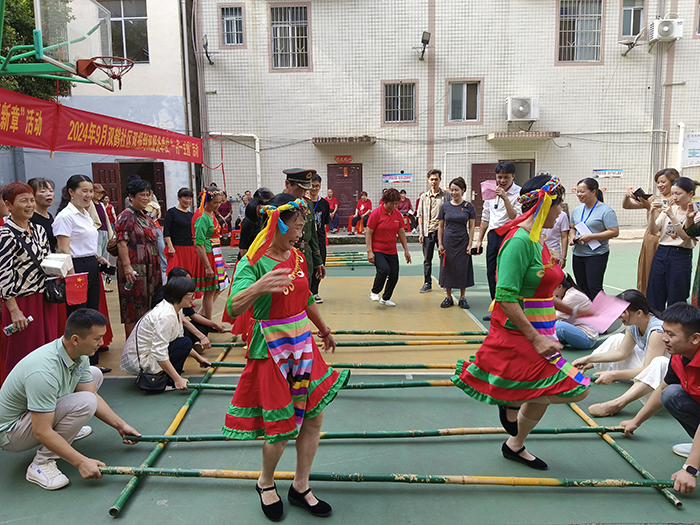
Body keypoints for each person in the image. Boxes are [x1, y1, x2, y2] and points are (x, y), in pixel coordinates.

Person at [222, 193, 349, 521]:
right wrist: (259, 287)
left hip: (302, 344)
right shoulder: (253, 262)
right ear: (278, 224)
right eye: (297, 225)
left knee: (314, 417)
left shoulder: (298, 257)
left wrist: (323, 329)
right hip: (271, 348)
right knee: (279, 428)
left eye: (303, 225)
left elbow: (305, 297)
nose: (301, 231)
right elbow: (233, 306)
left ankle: (300, 486)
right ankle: (265, 482)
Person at [451, 175, 590, 470]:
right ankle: (512, 400)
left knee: (541, 391)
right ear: (543, 205)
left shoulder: (537, 239)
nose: (561, 212)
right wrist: (536, 339)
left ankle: (515, 443)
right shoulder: (519, 242)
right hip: (524, 335)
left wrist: (570, 309)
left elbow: (539, 290)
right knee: (576, 387)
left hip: (543, 331)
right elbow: (505, 296)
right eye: (558, 205)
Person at [0, 309, 141, 490]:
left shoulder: (77, 353)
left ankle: (66, 429)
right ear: (75, 339)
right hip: (11, 433)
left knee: (94, 375)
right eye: (97, 338)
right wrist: (81, 462)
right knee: (86, 402)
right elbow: (41, 431)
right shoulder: (43, 372)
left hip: (32, 414)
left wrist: (121, 425)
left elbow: (92, 394)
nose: (102, 342)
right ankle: (41, 463)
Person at [620, 303, 700, 494]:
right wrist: (636, 421)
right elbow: (662, 388)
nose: (664, 338)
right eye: (664, 331)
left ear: (695, 338)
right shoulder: (679, 356)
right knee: (671, 394)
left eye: (671, 334)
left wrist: (690, 469)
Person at [572, 290, 667, 417]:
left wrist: (614, 375)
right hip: (648, 367)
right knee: (617, 339)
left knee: (659, 363)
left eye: (622, 312)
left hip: (663, 376)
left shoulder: (657, 332)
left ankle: (617, 404)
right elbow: (621, 352)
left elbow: (647, 369)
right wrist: (589, 359)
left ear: (639, 313)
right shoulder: (633, 324)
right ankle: (584, 367)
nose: (618, 316)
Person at [53, 175, 112, 371]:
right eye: (84, 191)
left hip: (91, 265)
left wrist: (98, 258)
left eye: (90, 191)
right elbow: (64, 249)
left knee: (92, 314)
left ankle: (90, 364)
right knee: (79, 317)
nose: (88, 195)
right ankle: (75, 364)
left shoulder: (86, 213)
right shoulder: (65, 216)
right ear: (71, 192)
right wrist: (72, 277)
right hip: (75, 269)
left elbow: (85, 244)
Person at [0, 182, 59, 377]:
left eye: (32, 200)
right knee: (23, 353)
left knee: (47, 349)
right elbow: (3, 274)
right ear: (8, 205)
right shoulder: (5, 235)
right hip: (22, 302)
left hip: (46, 299)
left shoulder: (39, 230)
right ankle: (18, 392)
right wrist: (14, 311)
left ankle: (46, 388)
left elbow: (46, 260)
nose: (30, 205)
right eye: (23, 201)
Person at [120, 277, 211, 391]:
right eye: (191, 295)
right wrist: (177, 379)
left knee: (184, 342)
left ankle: (166, 376)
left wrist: (198, 358)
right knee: (184, 343)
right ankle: (165, 381)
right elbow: (159, 351)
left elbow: (178, 338)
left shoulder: (175, 307)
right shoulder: (166, 316)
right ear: (178, 295)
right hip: (141, 361)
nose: (194, 298)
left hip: (147, 353)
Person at [113, 178, 162, 340]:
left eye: (148, 195)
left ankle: (145, 342)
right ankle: (131, 346)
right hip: (135, 269)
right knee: (133, 307)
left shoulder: (145, 216)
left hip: (151, 269)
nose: (146, 198)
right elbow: (121, 242)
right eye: (142, 195)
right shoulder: (126, 216)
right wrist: (127, 267)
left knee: (149, 304)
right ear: (131, 196)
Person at [474, 162, 522, 321]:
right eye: (499, 177)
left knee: (507, 272)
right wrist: (479, 240)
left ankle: (511, 310)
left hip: (510, 234)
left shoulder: (519, 192)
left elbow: (515, 217)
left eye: (506, 177)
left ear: (513, 176)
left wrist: (505, 198)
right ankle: (495, 308)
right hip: (493, 235)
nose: (502, 180)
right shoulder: (490, 190)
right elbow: (485, 217)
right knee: (491, 271)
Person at [623, 168, 680, 294]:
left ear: (673, 182)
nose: (660, 185)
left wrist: (649, 207)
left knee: (660, 274)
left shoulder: (675, 201)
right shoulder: (653, 199)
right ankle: (645, 297)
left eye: (663, 182)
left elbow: (664, 221)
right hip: (649, 238)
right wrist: (627, 196)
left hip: (663, 239)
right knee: (646, 269)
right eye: (658, 182)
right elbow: (627, 206)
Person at [646, 177, 700, 311]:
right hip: (662, 251)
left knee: (677, 293)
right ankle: (655, 321)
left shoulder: (695, 213)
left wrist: (672, 216)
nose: (674, 197)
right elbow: (653, 230)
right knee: (655, 290)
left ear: (690, 194)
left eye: (678, 193)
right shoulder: (670, 209)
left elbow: (685, 236)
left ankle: (675, 322)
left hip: (681, 254)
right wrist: (652, 212)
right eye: (673, 193)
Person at [152, 267, 227, 351]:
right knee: (184, 337)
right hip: (166, 331)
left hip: (177, 327)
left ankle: (192, 343)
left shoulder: (182, 295)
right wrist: (202, 337)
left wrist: (214, 325)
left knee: (204, 323)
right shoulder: (165, 299)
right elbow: (183, 321)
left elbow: (194, 315)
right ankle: (190, 343)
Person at [569, 178, 619, 300]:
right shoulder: (577, 210)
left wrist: (592, 236)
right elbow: (572, 227)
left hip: (596, 255)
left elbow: (614, 231)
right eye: (577, 191)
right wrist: (572, 237)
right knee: (581, 287)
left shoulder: (606, 211)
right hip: (578, 254)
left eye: (582, 191)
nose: (579, 194)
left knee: (594, 287)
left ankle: (602, 311)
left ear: (593, 192)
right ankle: (587, 309)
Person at [366, 188, 412, 307]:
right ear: (385, 202)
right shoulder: (376, 213)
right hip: (378, 249)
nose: (395, 206)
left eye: (397, 204)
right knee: (384, 269)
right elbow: (369, 233)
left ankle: (386, 298)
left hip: (392, 250)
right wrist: (369, 251)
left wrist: (406, 250)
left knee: (394, 275)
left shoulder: (397, 214)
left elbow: (401, 232)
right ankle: (375, 291)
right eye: (392, 204)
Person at [281, 169, 325, 286]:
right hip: (286, 255)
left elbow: (312, 233)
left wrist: (318, 261)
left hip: (306, 255)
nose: (303, 193)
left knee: (306, 288)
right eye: (300, 189)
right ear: (287, 184)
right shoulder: (278, 204)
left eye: (305, 190)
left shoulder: (307, 203)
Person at [191, 186, 229, 320]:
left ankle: (201, 315)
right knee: (210, 291)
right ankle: (208, 321)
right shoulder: (202, 217)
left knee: (220, 286)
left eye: (219, 203)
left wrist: (222, 258)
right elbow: (199, 244)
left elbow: (216, 238)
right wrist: (207, 266)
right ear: (205, 201)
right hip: (207, 255)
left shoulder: (211, 214)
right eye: (215, 203)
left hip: (215, 253)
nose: (218, 206)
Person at [437, 177, 476, 309]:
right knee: (447, 267)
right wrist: (440, 243)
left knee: (462, 267)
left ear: (463, 190)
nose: (453, 193)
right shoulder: (445, 206)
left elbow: (471, 227)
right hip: (448, 241)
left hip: (462, 241)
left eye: (456, 190)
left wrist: (470, 244)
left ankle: (462, 297)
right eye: (451, 190)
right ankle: (448, 297)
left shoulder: (469, 207)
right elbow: (440, 226)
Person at [417, 169, 450, 293]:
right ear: (428, 180)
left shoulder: (446, 196)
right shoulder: (424, 197)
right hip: (428, 232)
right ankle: (427, 283)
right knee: (427, 259)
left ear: (440, 180)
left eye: (436, 179)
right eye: (431, 179)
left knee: (444, 258)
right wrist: (421, 233)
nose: (434, 182)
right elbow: (420, 215)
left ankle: (445, 282)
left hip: (443, 232)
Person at [553, 274, 598, 349]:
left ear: (560, 287)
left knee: (558, 327)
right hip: (576, 329)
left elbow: (554, 317)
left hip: (587, 338)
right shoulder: (564, 293)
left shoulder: (571, 296)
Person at [163, 188, 196, 275]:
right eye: (186, 198)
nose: (188, 201)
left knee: (190, 273)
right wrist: (170, 246)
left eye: (190, 198)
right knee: (176, 273)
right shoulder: (171, 212)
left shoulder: (191, 215)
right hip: (176, 248)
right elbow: (167, 231)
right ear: (179, 198)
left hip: (190, 248)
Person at [308, 174, 330, 303]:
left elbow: (325, 223)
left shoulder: (324, 204)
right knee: (307, 265)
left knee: (320, 264)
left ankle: (315, 292)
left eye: (317, 186)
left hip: (320, 238)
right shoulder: (304, 203)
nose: (314, 189)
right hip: (307, 239)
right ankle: (307, 291)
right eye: (312, 186)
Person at [239, 188, 275, 259]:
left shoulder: (268, 218)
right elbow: (243, 249)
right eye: (264, 204)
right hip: (249, 259)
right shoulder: (249, 221)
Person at [27, 178, 57, 253]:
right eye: (43, 191)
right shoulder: (30, 217)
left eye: (51, 191)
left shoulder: (49, 216)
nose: (49, 194)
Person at [91, 184, 112, 262]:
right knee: (98, 254)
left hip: (105, 231)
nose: (100, 194)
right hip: (97, 231)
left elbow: (106, 220)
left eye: (102, 193)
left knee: (106, 254)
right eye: (98, 192)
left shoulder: (101, 205)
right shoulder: (89, 204)